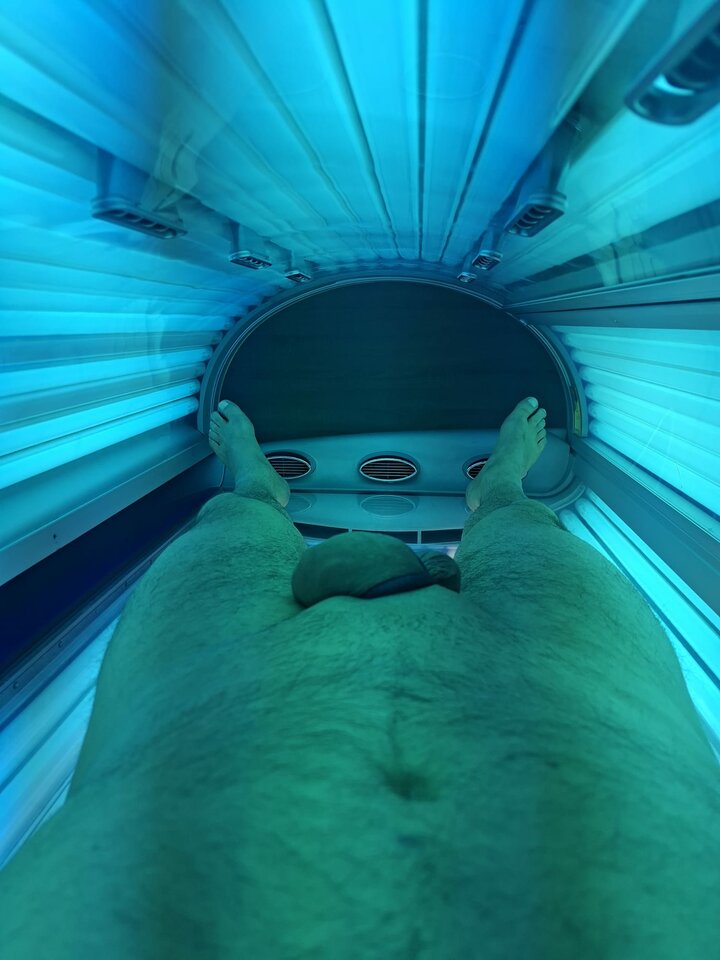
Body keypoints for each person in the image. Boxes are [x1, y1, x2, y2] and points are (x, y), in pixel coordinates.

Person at [2, 398, 718, 959]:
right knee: (524, 533)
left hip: (206, 704)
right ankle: (499, 487)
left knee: (226, 533)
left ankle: (255, 487)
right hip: (573, 691)